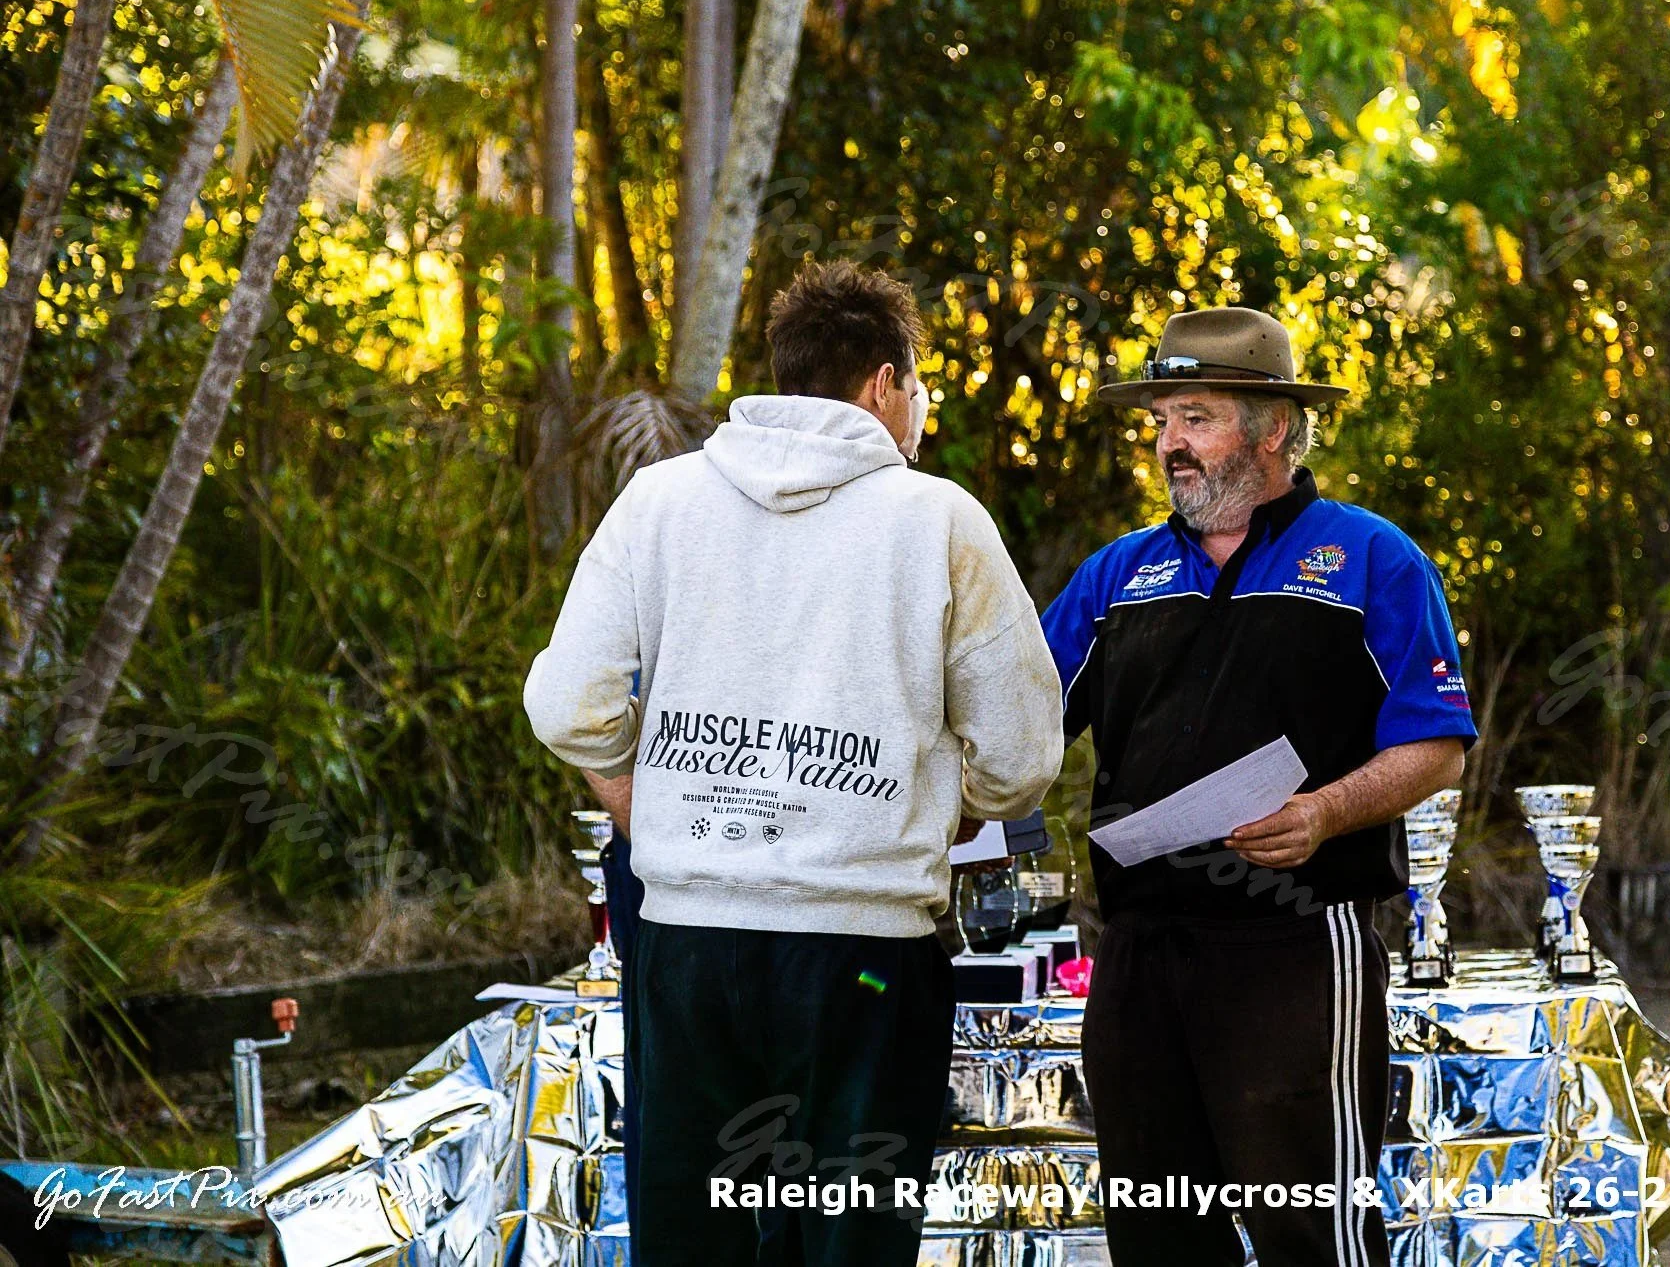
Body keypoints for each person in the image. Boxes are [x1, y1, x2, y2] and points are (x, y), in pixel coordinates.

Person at [524, 259, 1066, 1266]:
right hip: (860, 956)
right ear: (881, 386)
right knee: (847, 1245)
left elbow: (568, 705)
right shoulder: (937, 520)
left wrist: (647, 803)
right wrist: (941, 811)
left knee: (699, 1242)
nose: (923, 411)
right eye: (920, 387)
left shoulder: (659, 502)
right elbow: (1023, 753)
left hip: (687, 946)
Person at [1040, 306, 1476, 1266]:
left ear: (1273, 425)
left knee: (1307, 1234)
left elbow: (1439, 744)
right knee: (1156, 1238)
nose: (1169, 445)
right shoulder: (1119, 573)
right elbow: (1020, 724)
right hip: (1139, 952)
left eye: (1195, 416)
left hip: (1294, 946)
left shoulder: (1372, 558)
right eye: (1161, 421)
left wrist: (1323, 811)